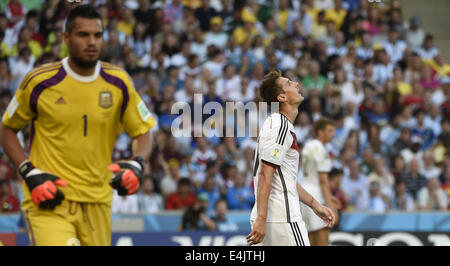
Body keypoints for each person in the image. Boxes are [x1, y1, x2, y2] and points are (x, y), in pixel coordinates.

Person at [0, 5, 155, 246]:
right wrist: (28, 172)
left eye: (97, 35)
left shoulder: (119, 82)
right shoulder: (39, 81)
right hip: (50, 198)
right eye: (83, 35)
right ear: (66, 37)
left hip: (97, 203)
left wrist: (137, 163)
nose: (92, 42)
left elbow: (143, 131)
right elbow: (7, 128)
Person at [247, 70, 336, 246]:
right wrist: (261, 218)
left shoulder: (277, 124)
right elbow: (266, 174)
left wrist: (315, 205)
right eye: (289, 83)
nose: (296, 84)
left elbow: (283, 178)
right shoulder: (280, 125)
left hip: (274, 217)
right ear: (282, 97)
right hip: (282, 217)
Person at [300, 117, 339, 246]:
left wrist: (330, 197)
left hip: (304, 195)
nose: (332, 134)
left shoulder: (309, 146)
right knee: (322, 237)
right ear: (320, 132)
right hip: (317, 196)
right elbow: (323, 181)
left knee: (308, 239)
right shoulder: (322, 151)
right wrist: (331, 207)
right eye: (329, 130)